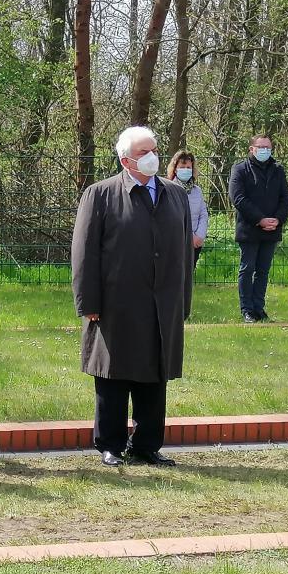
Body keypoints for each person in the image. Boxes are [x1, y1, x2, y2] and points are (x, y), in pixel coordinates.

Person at [71, 126, 192, 468]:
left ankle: (146, 445)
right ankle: (110, 444)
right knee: (113, 374)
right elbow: (84, 254)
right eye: (143, 152)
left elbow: (184, 252)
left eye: (154, 149)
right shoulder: (101, 194)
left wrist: (182, 300)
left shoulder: (175, 194)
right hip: (115, 303)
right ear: (125, 160)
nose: (152, 156)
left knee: (154, 374)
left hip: (161, 304)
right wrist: (88, 303)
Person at [229, 134, 288, 323]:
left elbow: (285, 197)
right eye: (261, 147)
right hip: (249, 229)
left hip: (272, 229)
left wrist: (277, 220)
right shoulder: (240, 169)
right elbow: (238, 198)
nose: (265, 150)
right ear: (252, 149)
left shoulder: (278, 170)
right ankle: (247, 310)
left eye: (268, 147)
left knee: (263, 271)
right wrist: (260, 219)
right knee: (247, 269)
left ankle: (259, 308)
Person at [166, 150, 207, 270]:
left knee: (188, 279)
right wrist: (188, 237)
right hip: (175, 242)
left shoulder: (197, 190)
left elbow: (203, 214)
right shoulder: (168, 189)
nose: (185, 170)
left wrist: (199, 236)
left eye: (188, 167)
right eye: (182, 167)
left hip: (195, 244)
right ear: (175, 169)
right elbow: (169, 217)